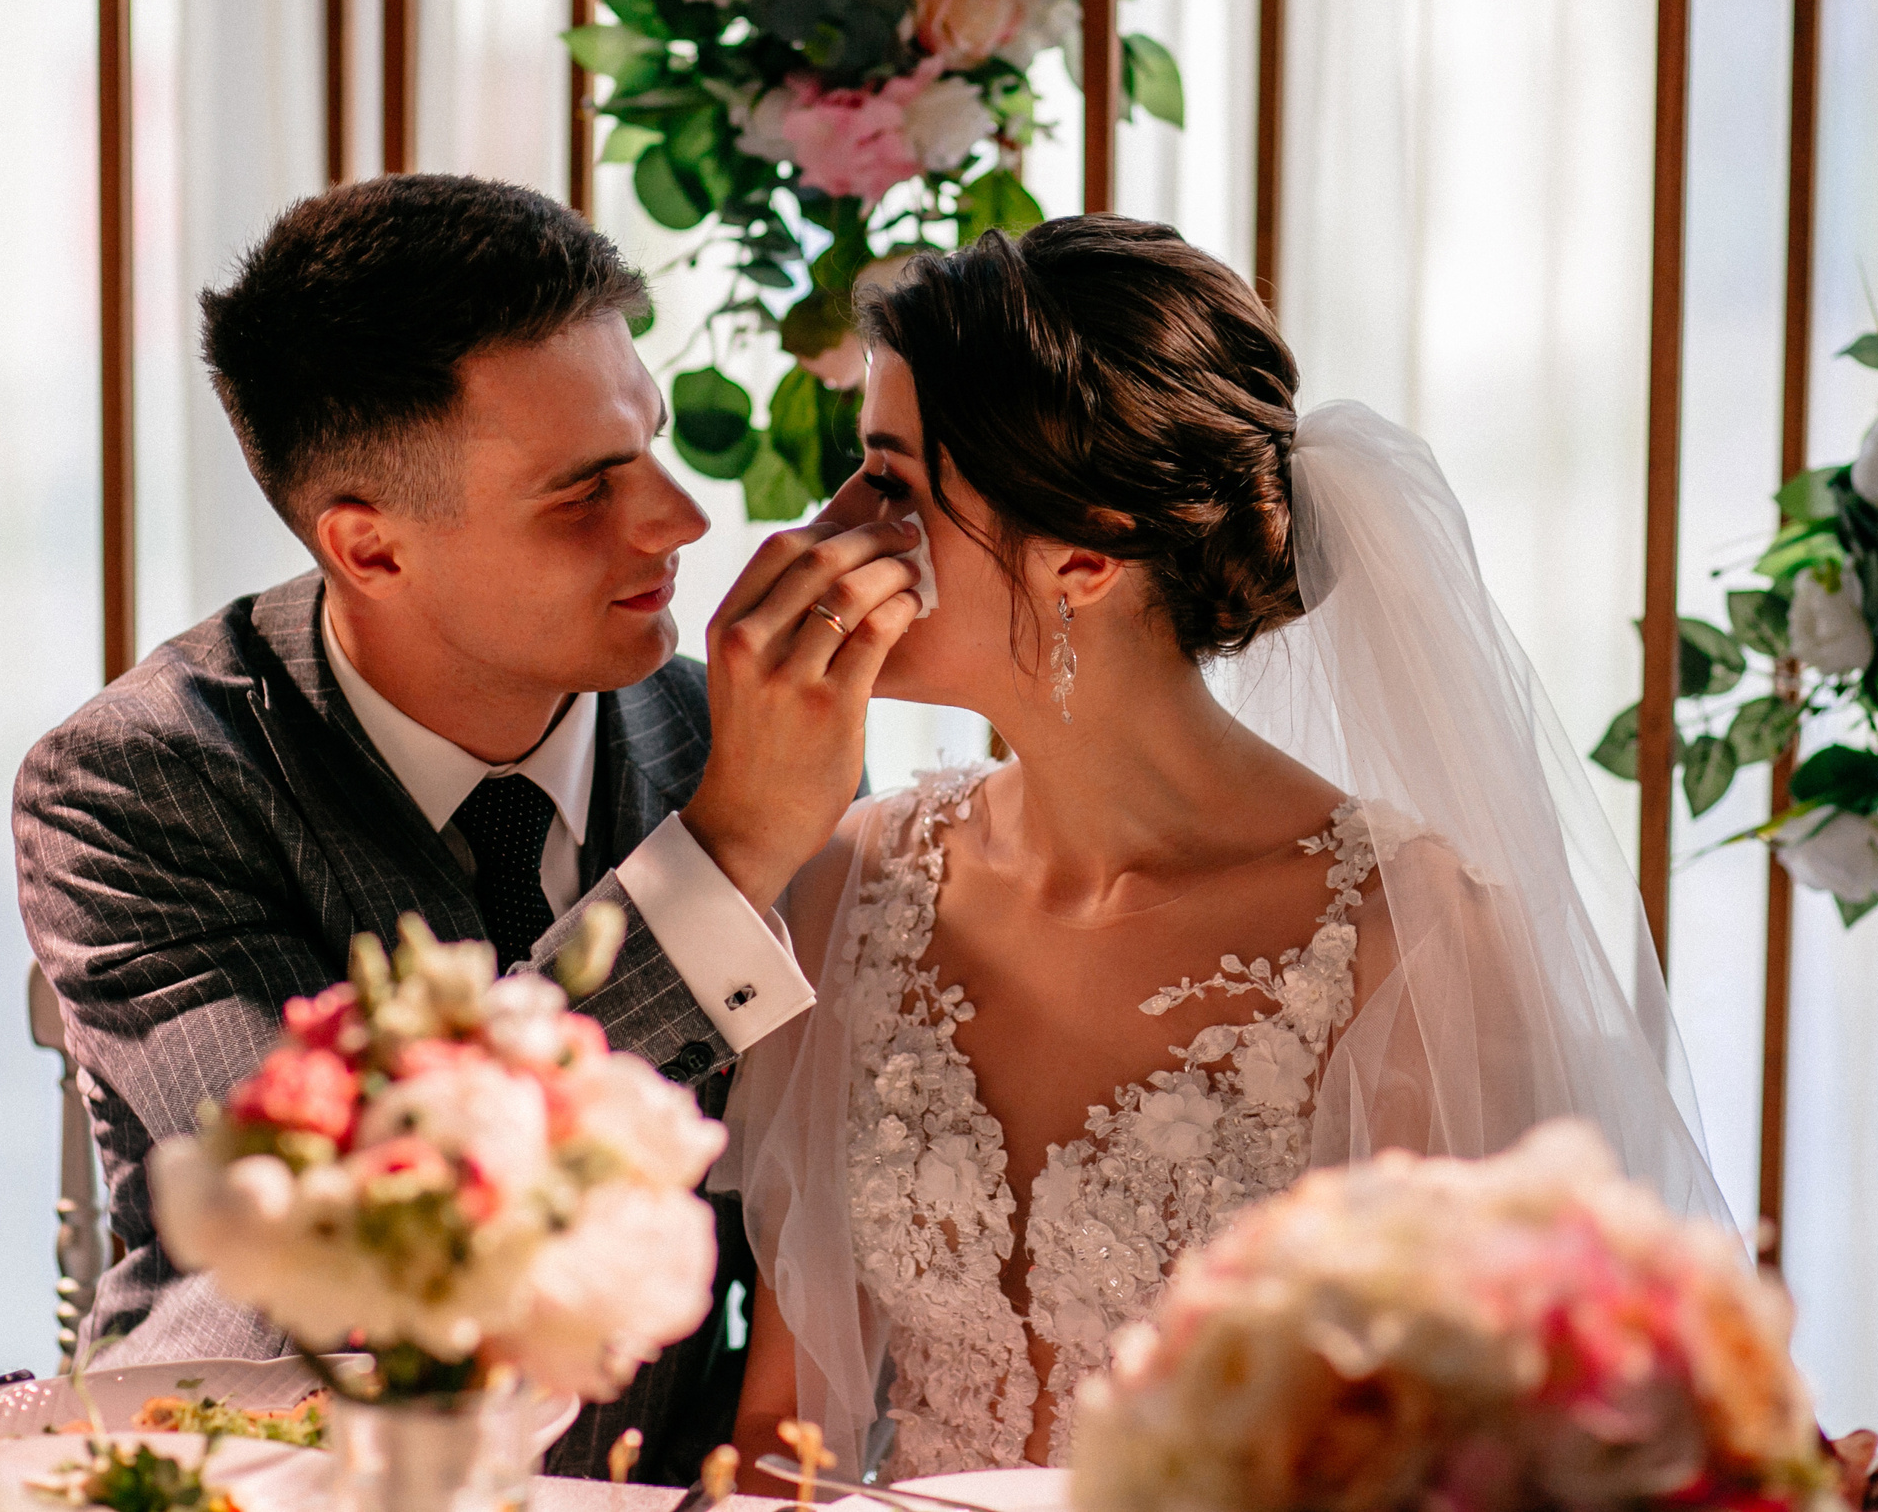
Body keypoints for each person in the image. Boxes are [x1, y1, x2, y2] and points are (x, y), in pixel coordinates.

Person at [714, 216, 1731, 1482]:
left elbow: (1478, 1462)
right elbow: (778, 1439)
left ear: (1083, 553)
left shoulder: (1402, 944)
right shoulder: (861, 878)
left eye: (895, 483)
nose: (834, 526)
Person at [13, 175, 922, 1483]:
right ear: (370, 548)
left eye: (652, 441)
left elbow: (807, 1219)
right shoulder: (137, 784)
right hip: (262, 1473)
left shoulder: (740, 734)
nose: (679, 518)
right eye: (580, 493)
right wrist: (722, 856)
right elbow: (351, 1237)